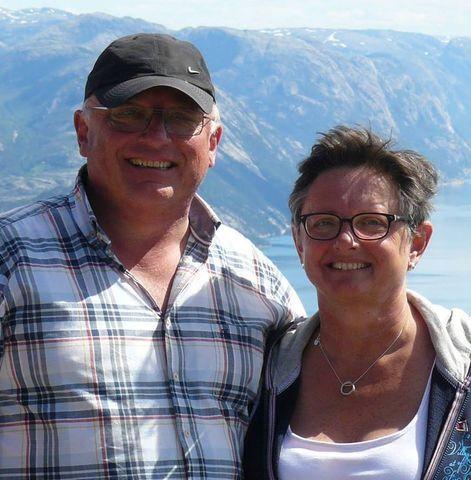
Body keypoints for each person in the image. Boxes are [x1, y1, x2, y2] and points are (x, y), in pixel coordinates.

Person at [0, 33, 305, 479]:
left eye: (182, 119)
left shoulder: (258, 282)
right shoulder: (12, 259)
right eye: (129, 115)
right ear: (84, 132)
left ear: (213, 143)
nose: (156, 137)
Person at [243, 126, 471, 479]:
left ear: (417, 243)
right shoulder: (263, 367)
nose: (345, 240)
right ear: (299, 242)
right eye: (323, 223)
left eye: (371, 223)